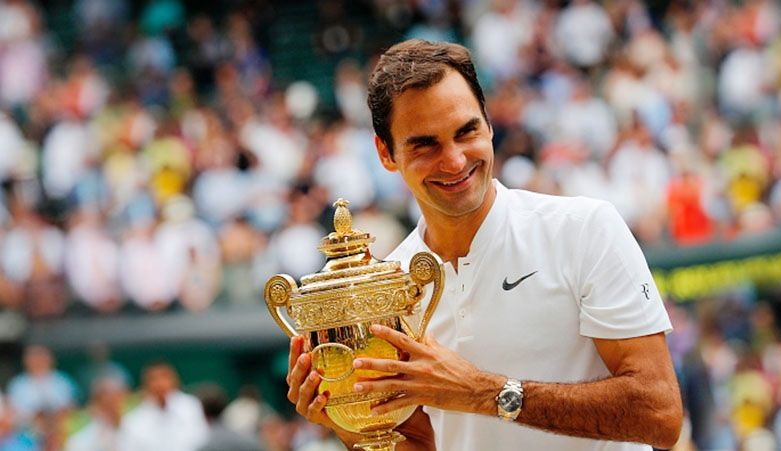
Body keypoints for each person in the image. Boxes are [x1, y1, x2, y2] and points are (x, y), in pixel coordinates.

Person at [286, 39, 682, 450]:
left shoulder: (584, 229)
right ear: (386, 153)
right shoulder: (386, 287)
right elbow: (424, 444)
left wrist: (482, 392)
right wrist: (352, 425)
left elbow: (659, 415)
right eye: (426, 144)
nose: (455, 161)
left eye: (466, 131)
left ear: (489, 125)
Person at [117, 361, 208, 451]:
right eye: (154, 379)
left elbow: (202, 440)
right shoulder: (133, 419)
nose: (160, 383)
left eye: (164, 377)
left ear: (175, 380)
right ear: (145, 384)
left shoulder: (191, 406)